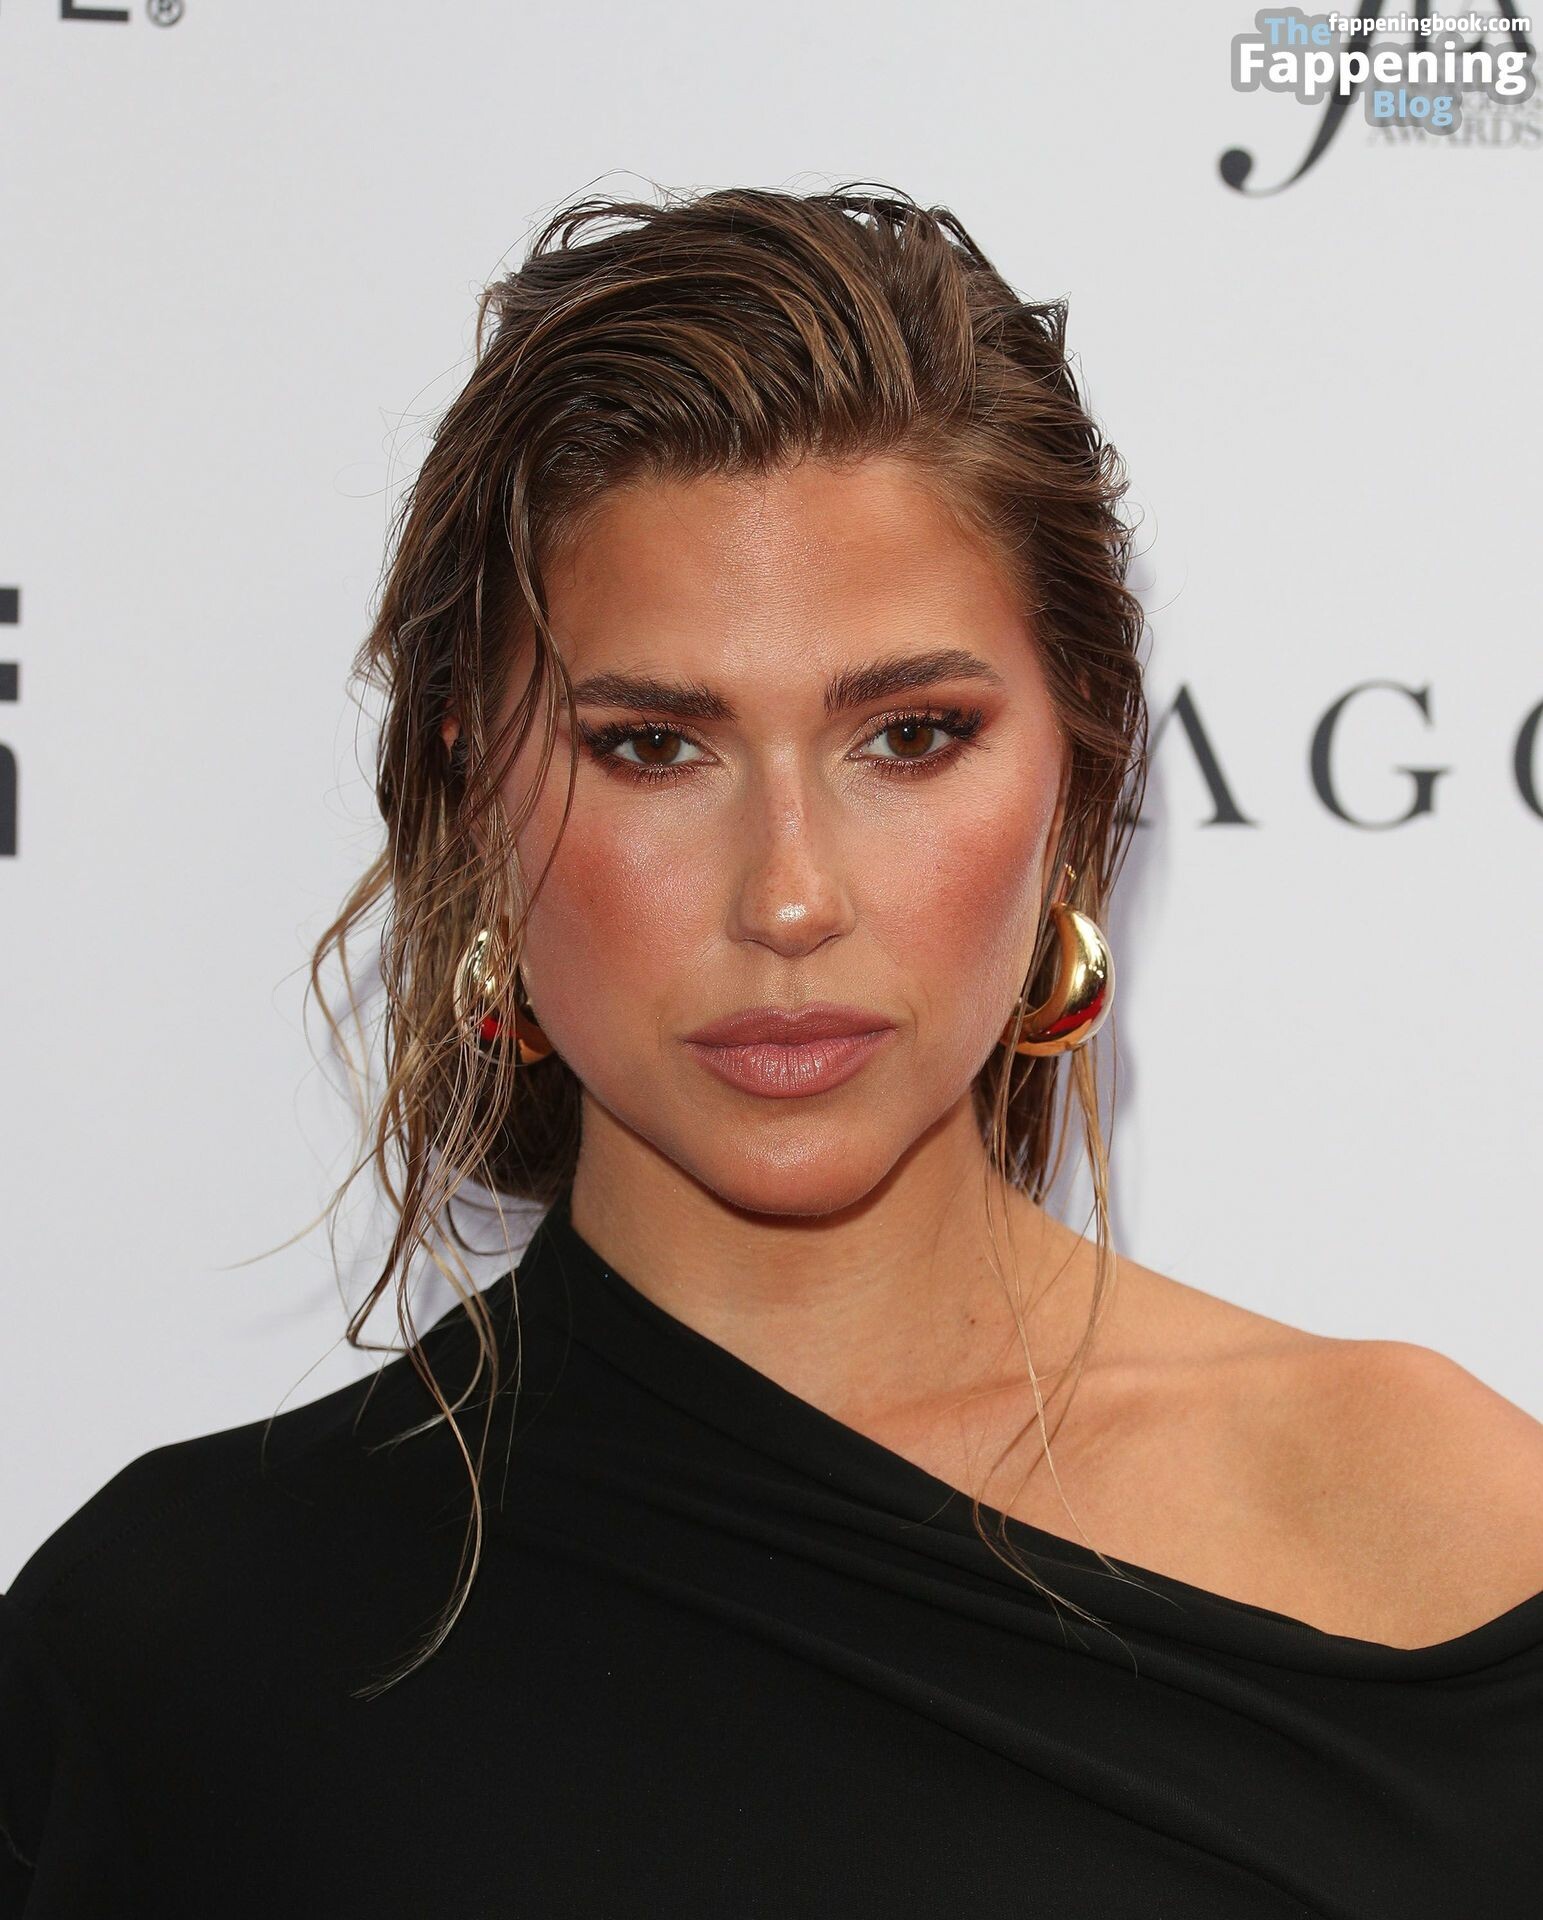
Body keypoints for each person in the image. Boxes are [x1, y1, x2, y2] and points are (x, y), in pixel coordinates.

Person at [4, 182, 1541, 1918]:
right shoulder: (185, 1644)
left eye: (911, 735)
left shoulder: (1446, 1535)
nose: (791, 896)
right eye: (654, 747)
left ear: (1079, 776)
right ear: (473, 793)